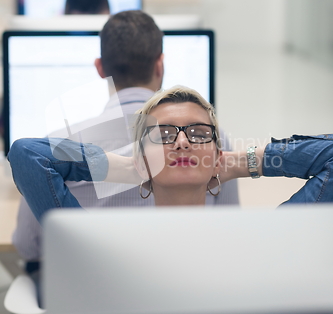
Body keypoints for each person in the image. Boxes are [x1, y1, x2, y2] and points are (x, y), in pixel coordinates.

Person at [12, 11, 239, 263]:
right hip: (182, 275)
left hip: (88, 286)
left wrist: (114, 167)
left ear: (100, 68)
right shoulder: (210, 143)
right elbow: (226, 230)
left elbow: (27, 245)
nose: (181, 143)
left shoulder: (58, 146)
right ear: (160, 65)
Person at [8, 86, 333, 223]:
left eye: (198, 134)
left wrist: (236, 162)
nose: (181, 143)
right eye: (163, 135)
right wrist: (127, 168)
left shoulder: (259, 240)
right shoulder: (96, 245)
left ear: (219, 156)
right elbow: (28, 155)